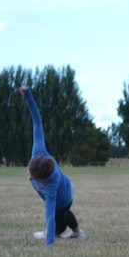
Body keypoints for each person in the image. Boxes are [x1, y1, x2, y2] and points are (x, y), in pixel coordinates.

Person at [19, 85, 86, 245]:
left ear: (43, 180)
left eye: (32, 177)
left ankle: (64, 232)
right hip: (66, 187)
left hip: (64, 196)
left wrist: (49, 244)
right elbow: (37, 121)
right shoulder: (38, 150)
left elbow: (49, 215)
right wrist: (28, 94)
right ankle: (77, 233)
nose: (29, 178)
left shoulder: (51, 185)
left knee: (58, 225)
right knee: (61, 214)